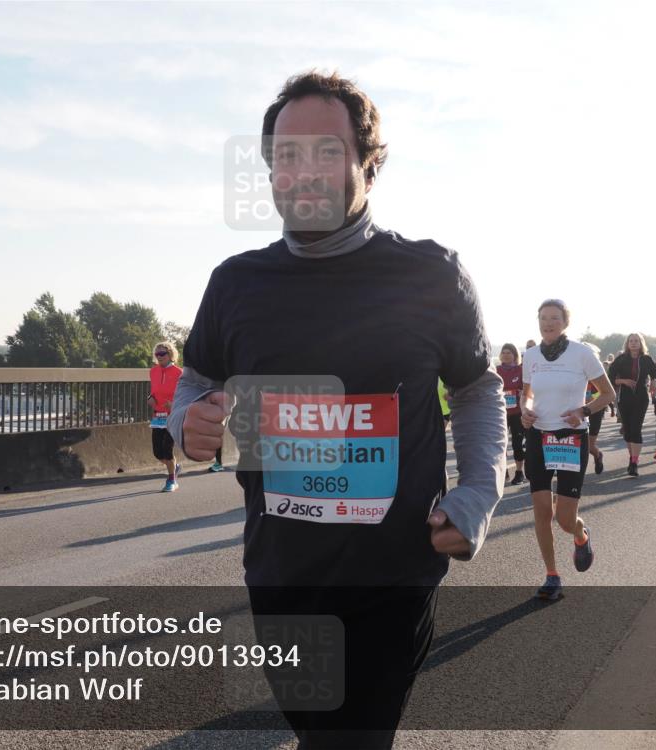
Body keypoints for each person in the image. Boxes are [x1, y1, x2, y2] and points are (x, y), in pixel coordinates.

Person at [168, 71, 506, 748]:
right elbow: (195, 378)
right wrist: (188, 424)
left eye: (327, 152)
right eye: (286, 156)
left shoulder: (430, 275)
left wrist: (478, 494)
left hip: (390, 580)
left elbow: (477, 390)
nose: (304, 172)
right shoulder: (236, 282)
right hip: (279, 579)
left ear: (369, 165)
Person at [520, 300, 614, 601]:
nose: (548, 323)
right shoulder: (531, 355)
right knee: (542, 512)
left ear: (565, 322)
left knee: (564, 519)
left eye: (554, 318)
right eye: (544, 318)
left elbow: (607, 393)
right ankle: (551, 575)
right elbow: (527, 395)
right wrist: (525, 411)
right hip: (538, 436)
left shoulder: (582, 353)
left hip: (571, 436)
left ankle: (580, 534)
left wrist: (583, 411)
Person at [607, 333, 656, 477]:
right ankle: (632, 457)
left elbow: (655, 373)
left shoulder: (646, 359)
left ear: (641, 343)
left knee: (636, 429)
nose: (634, 343)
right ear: (627, 344)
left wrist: (654, 381)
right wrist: (623, 381)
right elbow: (610, 378)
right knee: (628, 431)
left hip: (641, 398)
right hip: (624, 398)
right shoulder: (621, 359)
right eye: (631, 341)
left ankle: (634, 463)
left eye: (636, 341)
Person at [147, 342, 183, 491]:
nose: (159, 357)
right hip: (158, 416)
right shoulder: (153, 371)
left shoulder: (179, 373)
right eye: (157, 354)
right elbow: (154, 391)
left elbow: (185, 395)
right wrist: (149, 398)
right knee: (157, 452)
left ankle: (171, 481)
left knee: (167, 449)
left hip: (173, 416)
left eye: (162, 354)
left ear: (170, 354)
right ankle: (174, 467)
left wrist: (174, 404)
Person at [497, 343, 525, 484]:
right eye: (504, 352)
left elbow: (528, 389)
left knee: (517, 443)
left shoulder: (521, 370)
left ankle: (519, 472)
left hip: (517, 412)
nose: (506, 355)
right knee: (501, 444)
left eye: (509, 352)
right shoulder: (496, 370)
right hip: (500, 413)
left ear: (515, 355)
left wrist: (522, 392)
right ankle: (504, 472)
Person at [582, 343, 605, 474]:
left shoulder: (598, 371)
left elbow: (605, 393)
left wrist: (592, 399)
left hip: (595, 410)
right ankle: (576, 473)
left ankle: (597, 455)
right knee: (578, 445)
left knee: (589, 446)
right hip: (577, 410)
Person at [604, 354, 617, 419]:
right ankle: (604, 411)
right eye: (609, 357)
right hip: (604, 383)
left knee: (611, 397)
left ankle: (613, 410)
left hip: (612, 383)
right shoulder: (605, 363)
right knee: (604, 397)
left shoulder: (615, 364)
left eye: (611, 357)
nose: (610, 358)